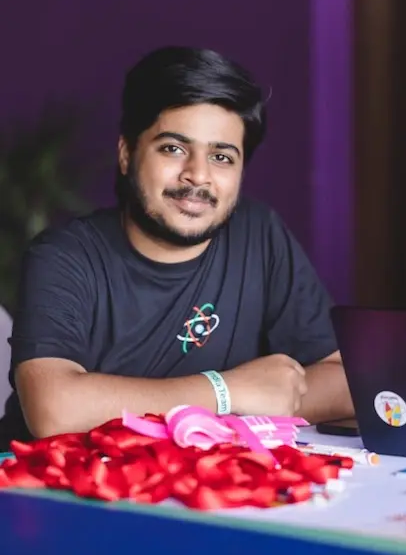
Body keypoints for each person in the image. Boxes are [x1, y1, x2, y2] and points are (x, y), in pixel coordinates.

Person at [0, 46, 353, 449]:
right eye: (173, 148)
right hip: (53, 494)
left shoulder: (258, 234)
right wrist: (226, 393)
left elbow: (346, 381)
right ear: (126, 153)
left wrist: (266, 395)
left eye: (221, 156)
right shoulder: (63, 257)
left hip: (199, 490)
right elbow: (54, 411)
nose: (197, 175)